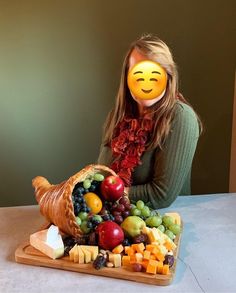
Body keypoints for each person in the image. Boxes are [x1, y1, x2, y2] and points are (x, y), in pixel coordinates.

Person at [97, 33, 202, 209]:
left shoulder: (181, 117)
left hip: (163, 226)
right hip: (115, 222)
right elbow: (100, 175)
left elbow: (161, 194)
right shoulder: (116, 117)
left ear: (167, 76)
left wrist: (105, 193)